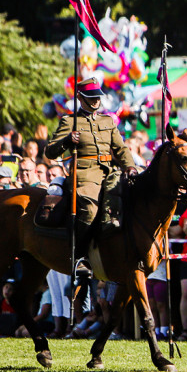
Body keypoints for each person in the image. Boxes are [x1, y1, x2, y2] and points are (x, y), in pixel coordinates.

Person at [44, 79, 137, 277]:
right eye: (91, 97)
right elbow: (50, 151)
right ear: (80, 97)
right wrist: (67, 140)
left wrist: (129, 166)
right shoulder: (69, 122)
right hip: (85, 174)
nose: (95, 101)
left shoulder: (107, 121)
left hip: (109, 172)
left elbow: (120, 149)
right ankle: (80, 257)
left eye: (97, 97)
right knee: (90, 207)